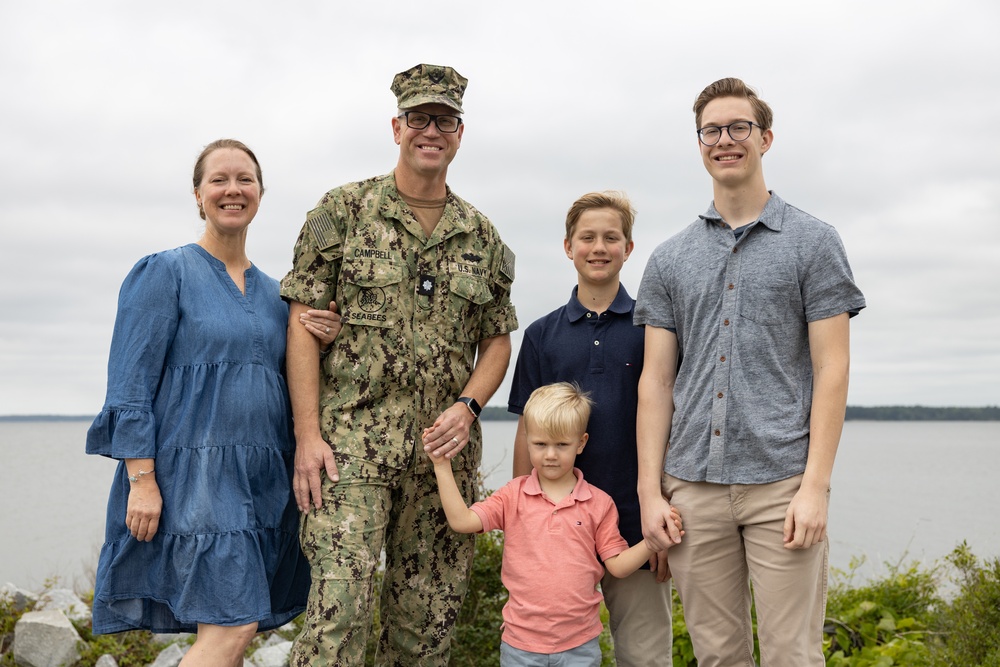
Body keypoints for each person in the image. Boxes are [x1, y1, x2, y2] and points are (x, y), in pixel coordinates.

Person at [280, 63, 518, 665]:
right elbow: (302, 329)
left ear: (460, 134)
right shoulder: (342, 211)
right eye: (419, 118)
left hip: (441, 458)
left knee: (427, 627)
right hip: (350, 449)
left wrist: (469, 407)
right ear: (397, 126)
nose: (430, 130)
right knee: (341, 614)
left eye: (444, 120)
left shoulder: (481, 236)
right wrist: (307, 436)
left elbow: (496, 340)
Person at [635, 78, 866, 667]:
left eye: (739, 127)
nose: (724, 139)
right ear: (700, 145)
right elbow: (657, 382)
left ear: (765, 138)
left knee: (792, 655)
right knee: (717, 657)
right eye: (711, 130)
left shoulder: (814, 242)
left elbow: (832, 368)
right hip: (691, 490)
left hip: (782, 487)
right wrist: (649, 490)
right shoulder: (669, 258)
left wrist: (815, 486)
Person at [86, 139, 341, 666]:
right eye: (219, 180)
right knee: (234, 623)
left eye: (245, 179)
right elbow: (129, 385)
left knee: (233, 626)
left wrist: (328, 338)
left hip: (263, 483)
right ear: (198, 195)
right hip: (193, 480)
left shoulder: (280, 296)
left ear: (261, 193)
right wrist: (142, 479)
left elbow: (299, 384)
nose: (233, 190)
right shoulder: (164, 273)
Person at [507, 191, 674, 665]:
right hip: (554, 533)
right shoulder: (541, 334)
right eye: (587, 237)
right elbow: (527, 429)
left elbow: (673, 424)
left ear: (629, 247)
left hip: (634, 524)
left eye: (611, 237)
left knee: (645, 657)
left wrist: (659, 523)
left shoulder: (654, 328)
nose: (599, 247)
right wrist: (522, 522)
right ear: (567, 247)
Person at [430, 382, 681, 666]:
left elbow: (618, 565)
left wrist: (651, 542)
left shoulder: (599, 503)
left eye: (561, 444)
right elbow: (462, 521)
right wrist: (441, 466)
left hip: (580, 648)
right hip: (520, 647)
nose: (550, 454)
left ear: (581, 442)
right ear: (527, 440)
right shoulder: (513, 495)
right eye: (540, 444)